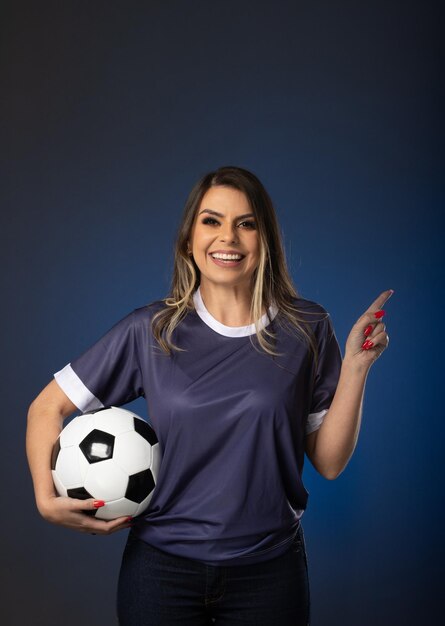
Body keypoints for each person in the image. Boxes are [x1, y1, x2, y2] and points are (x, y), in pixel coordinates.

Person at [26, 166, 392, 625]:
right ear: (188, 239)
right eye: (212, 221)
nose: (229, 238)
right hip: (160, 571)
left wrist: (357, 367)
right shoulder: (152, 330)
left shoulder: (307, 327)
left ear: (265, 239)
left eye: (246, 223)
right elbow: (47, 407)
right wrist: (45, 497)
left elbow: (330, 462)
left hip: (269, 571)